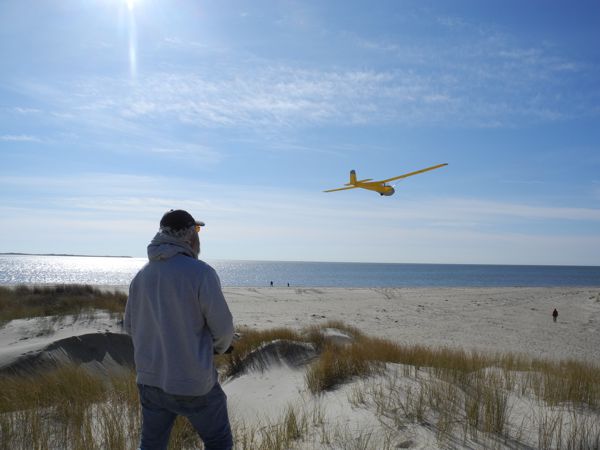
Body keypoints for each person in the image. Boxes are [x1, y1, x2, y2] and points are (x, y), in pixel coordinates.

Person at [124, 209, 234, 450]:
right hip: (193, 382)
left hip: (150, 381)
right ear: (189, 236)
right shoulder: (201, 273)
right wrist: (217, 348)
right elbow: (224, 330)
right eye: (197, 230)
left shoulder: (141, 276)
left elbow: (130, 326)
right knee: (218, 441)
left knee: (151, 444)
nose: (198, 237)